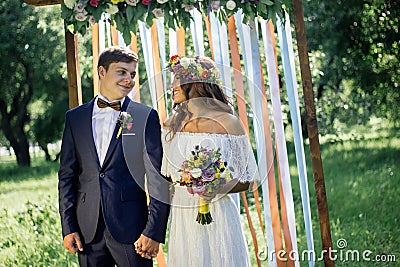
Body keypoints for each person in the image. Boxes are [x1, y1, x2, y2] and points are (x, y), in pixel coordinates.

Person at [58, 46, 170, 267]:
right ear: (102, 72)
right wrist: (68, 227)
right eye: (121, 72)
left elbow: (158, 178)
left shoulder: (144, 116)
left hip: (133, 229)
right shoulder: (75, 119)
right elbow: (67, 177)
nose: (129, 79)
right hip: (87, 231)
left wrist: (154, 231)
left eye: (132, 74)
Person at [161, 55, 259, 266]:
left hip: (219, 214)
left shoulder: (229, 124)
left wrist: (216, 186)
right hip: (183, 217)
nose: (171, 86)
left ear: (196, 83)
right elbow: (167, 179)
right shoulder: (170, 126)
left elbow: (248, 179)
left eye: (177, 80)